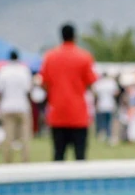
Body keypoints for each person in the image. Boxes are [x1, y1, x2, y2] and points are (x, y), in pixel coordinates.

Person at [40, 23, 98, 161]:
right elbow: (90, 83)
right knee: (80, 157)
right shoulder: (84, 57)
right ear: (74, 36)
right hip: (78, 114)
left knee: (58, 155)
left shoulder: (50, 57)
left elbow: (44, 84)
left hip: (57, 113)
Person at [0, 50, 35, 163]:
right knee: (25, 136)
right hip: (22, 106)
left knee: (8, 136)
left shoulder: (2, 71)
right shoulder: (24, 70)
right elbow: (28, 90)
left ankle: (7, 161)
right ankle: (25, 160)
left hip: (7, 107)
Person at [92, 71, 122, 143]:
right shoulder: (111, 83)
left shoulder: (99, 83)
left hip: (101, 105)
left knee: (102, 121)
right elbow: (117, 92)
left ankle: (103, 134)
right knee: (109, 121)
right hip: (110, 104)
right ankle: (108, 135)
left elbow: (95, 93)